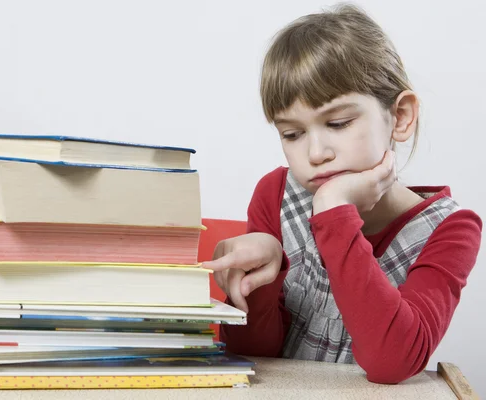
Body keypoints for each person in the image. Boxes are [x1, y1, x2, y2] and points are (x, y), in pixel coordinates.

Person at [203, 3, 482, 384]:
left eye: (338, 123)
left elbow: (393, 362)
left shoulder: (451, 230)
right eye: (292, 134)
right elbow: (253, 354)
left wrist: (335, 210)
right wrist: (260, 283)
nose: (316, 153)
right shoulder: (275, 194)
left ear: (400, 117)